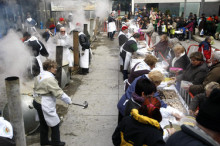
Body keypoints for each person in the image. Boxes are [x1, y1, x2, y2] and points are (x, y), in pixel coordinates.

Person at [33, 60, 72, 146]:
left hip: (37, 101)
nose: (56, 69)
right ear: (50, 68)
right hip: (44, 103)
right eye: (54, 67)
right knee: (55, 122)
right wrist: (69, 100)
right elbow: (58, 93)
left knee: (43, 123)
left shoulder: (39, 75)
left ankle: (44, 142)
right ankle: (56, 142)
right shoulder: (49, 79)